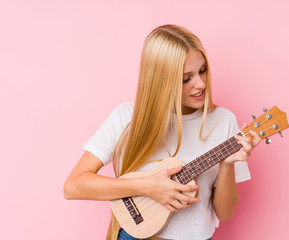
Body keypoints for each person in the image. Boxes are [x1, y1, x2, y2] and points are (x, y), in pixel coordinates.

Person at [64, 24, 262, 240]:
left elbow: (225, 213)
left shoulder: (223, 121)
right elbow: (73, 186)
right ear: (161, 81)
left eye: (203, 70)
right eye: (186, 78)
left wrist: (227, 164)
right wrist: (147, 186)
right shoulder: (126, 118)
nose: (200, 83)